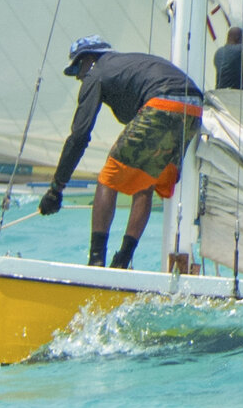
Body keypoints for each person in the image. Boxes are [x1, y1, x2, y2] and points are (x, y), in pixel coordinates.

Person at [38, 37, 205, 270]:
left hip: (162, 103)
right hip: (194, 108)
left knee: (108, 179)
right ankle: (123, 261)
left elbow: (79, 136)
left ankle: (96, 261)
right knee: (144, 183)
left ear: (89, 59)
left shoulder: (96, 73)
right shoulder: (126, 65)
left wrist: (56, 189)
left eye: (77, 68)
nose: (78, 76)